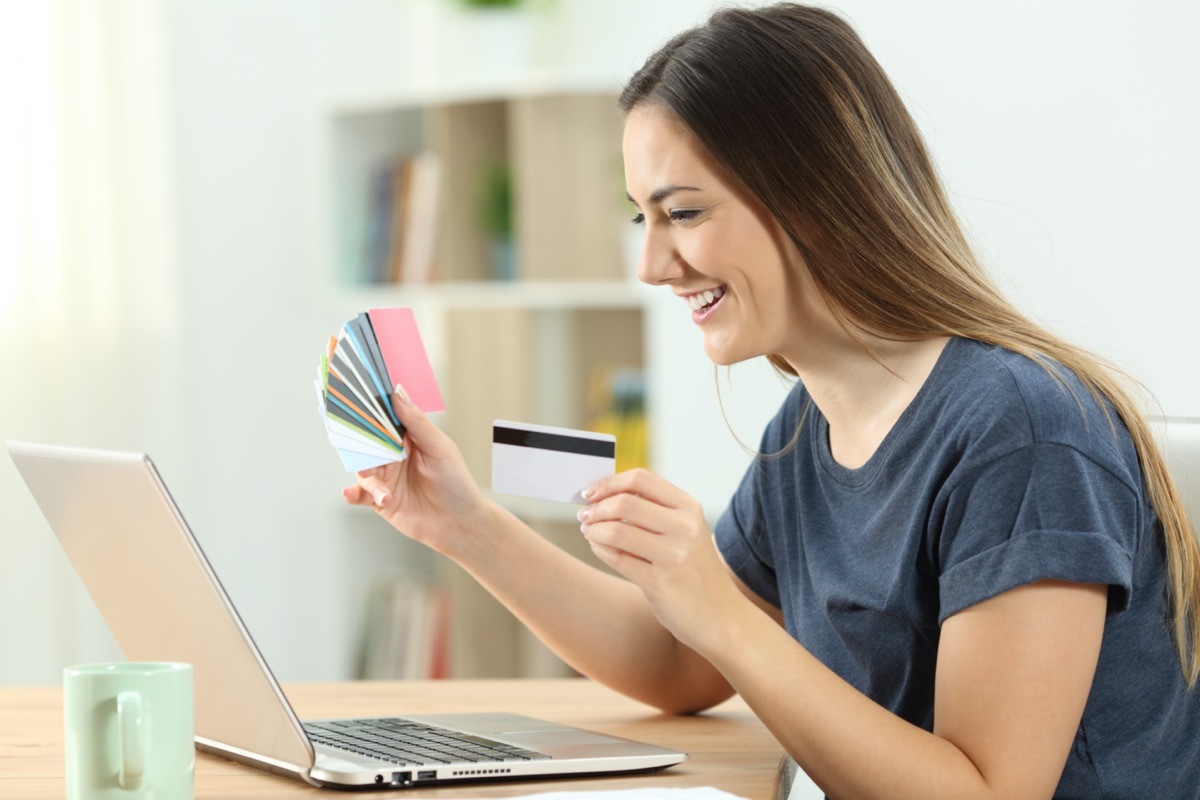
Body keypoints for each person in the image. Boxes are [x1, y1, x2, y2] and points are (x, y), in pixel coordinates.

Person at [343, 4, 1200, 797]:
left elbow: (984, 792)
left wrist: (724, 613)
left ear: (814, 198)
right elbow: (682, 661)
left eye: (681, 211)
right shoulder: (808, 430)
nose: (652, 265)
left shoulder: (1024, 432)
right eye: (643, 217)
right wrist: (463, 525)